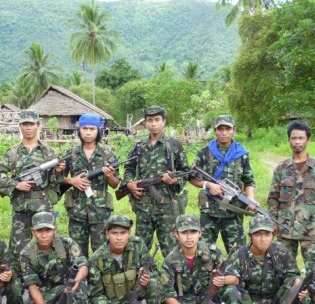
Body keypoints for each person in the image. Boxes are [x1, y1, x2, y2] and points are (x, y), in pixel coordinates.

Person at [218, 215, 311, 304]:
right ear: (250, 236)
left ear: (273, 235)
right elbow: (238, 291)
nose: (263, 239)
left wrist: (298, 285)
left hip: (274, 300)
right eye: (258, 234)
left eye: (267, 234)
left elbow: (293, 275)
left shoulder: (280, 252)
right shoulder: (239, 256)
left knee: (300, 293)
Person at [79, 215, 161, 304]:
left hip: (135, 293)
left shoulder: (138, 245)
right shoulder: (97, 258)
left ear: (129, 233)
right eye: (114, 233)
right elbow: (95, 294)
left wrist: (147, 276)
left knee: (155, 284)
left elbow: (154, 270)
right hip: (111, 300)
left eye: (123, 233)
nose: (119, 238)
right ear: (107, 234)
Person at [0, 109, 65, 264]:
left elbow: (55, 182)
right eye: (25, 124)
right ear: (20, 127)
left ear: (37, 126)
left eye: (31, 124)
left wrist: (57, 172)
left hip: (43, 206)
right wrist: (16, 184)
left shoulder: (48, 151)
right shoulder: (12, 153)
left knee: (47, 244)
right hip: (21, 207)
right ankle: (19, 281)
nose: (28, 128)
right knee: (18, 248)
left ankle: (48, 277)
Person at [14, 212, 89, 304]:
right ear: (32, 231)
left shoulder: (67, 243)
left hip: (70, 286)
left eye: (47, 230)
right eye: (39, 231)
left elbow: (83, 264)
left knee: (78, 292)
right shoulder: (26, 253)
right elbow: (32, 286)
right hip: (48, 292)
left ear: (55, 229)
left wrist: (77, 279)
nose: (43, 235)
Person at [120, 106, 190, 256]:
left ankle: (170, 277)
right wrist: (129, 183)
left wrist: (174, 180)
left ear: (164, 122)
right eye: (149, 120)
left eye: (157, 120)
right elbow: (129, 167)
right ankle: (143, 278)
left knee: (171, 250)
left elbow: (185, 171)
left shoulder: (173, 145)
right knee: (140, 249)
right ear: (145, 123)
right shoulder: (139, 146)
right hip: (143, 206)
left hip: (166, 207)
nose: (153, 124)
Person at [267, 120, 315, 260]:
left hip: (311, 228)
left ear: (308, 140)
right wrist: (273, 221)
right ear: (289, 140)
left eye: (301, 138)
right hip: (284, 227)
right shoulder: (282, 168)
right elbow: (273, 198)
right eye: (294, 138)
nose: (297, 142)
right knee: (283, 268)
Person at [190, 115, 256, 253]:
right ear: (215, 131)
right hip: (209, 212)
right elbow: (192, 177)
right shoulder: (205, 152)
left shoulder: (241, 153)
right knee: (204, 253)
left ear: (234, 130)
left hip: (233, 212)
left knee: (238, 254)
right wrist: (208, 185)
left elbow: (249, 180)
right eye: (220, 129)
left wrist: (251, 199)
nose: (224, 132)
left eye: (228, 129)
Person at [61, 113, 120, 257]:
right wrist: (72, 181)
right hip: (77, 211)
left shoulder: (107, 154)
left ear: (98, 131)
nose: (88, 132)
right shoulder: (71, 154)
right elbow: (58, 177)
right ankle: (79, 278)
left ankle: (97, 279)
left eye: (92, 129)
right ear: (79, 130)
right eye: (85, 128)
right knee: (76, 252)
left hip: (100, 212)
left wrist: (109, 175)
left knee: (101, 252)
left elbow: (115, 184)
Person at [158, 214, 223, 304]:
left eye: (193, 231)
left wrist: (221, 280)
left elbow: (227, 280)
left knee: (230, 295)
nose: (189, 237)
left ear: (200, 233)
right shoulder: (171, 260)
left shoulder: (213, 254)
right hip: (186, 301)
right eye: (184, 232)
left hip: (209, 299)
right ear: (176, 234)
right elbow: (166, 294)